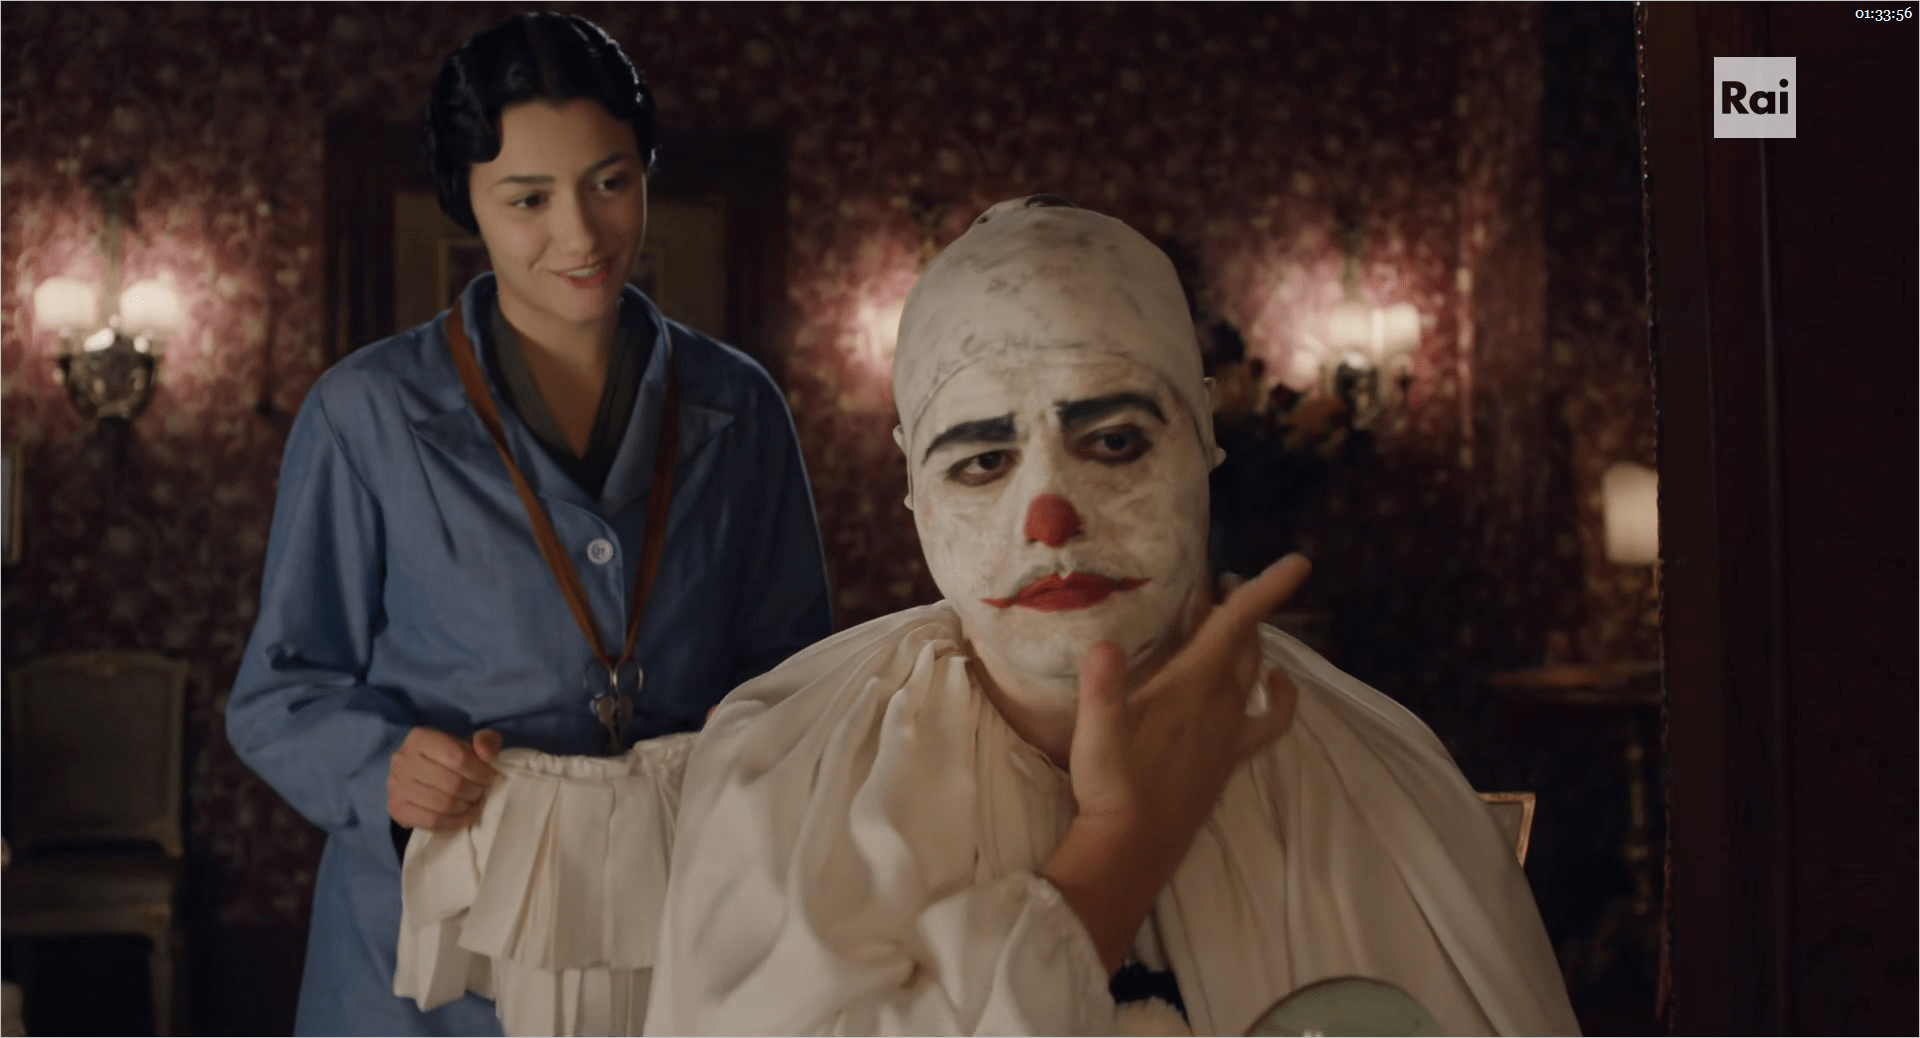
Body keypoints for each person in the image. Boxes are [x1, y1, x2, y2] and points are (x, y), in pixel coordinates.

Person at [645, 196, 1580, 1036]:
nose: (1051, 520)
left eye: (1116, 441)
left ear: (1204, 436)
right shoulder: (782, 775)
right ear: (913, 485)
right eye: (982, 461)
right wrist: (1118, 853)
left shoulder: (1379, 770)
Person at [225, 14, 832, 1036]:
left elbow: (798, 678)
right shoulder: (365, 413)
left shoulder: (741, 406)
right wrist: (385, 768)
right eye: (529, 199)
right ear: (464, 198)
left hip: (679, 925)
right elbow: (279, 692)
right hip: (428, 952)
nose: (582, 235)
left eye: (610, 182)